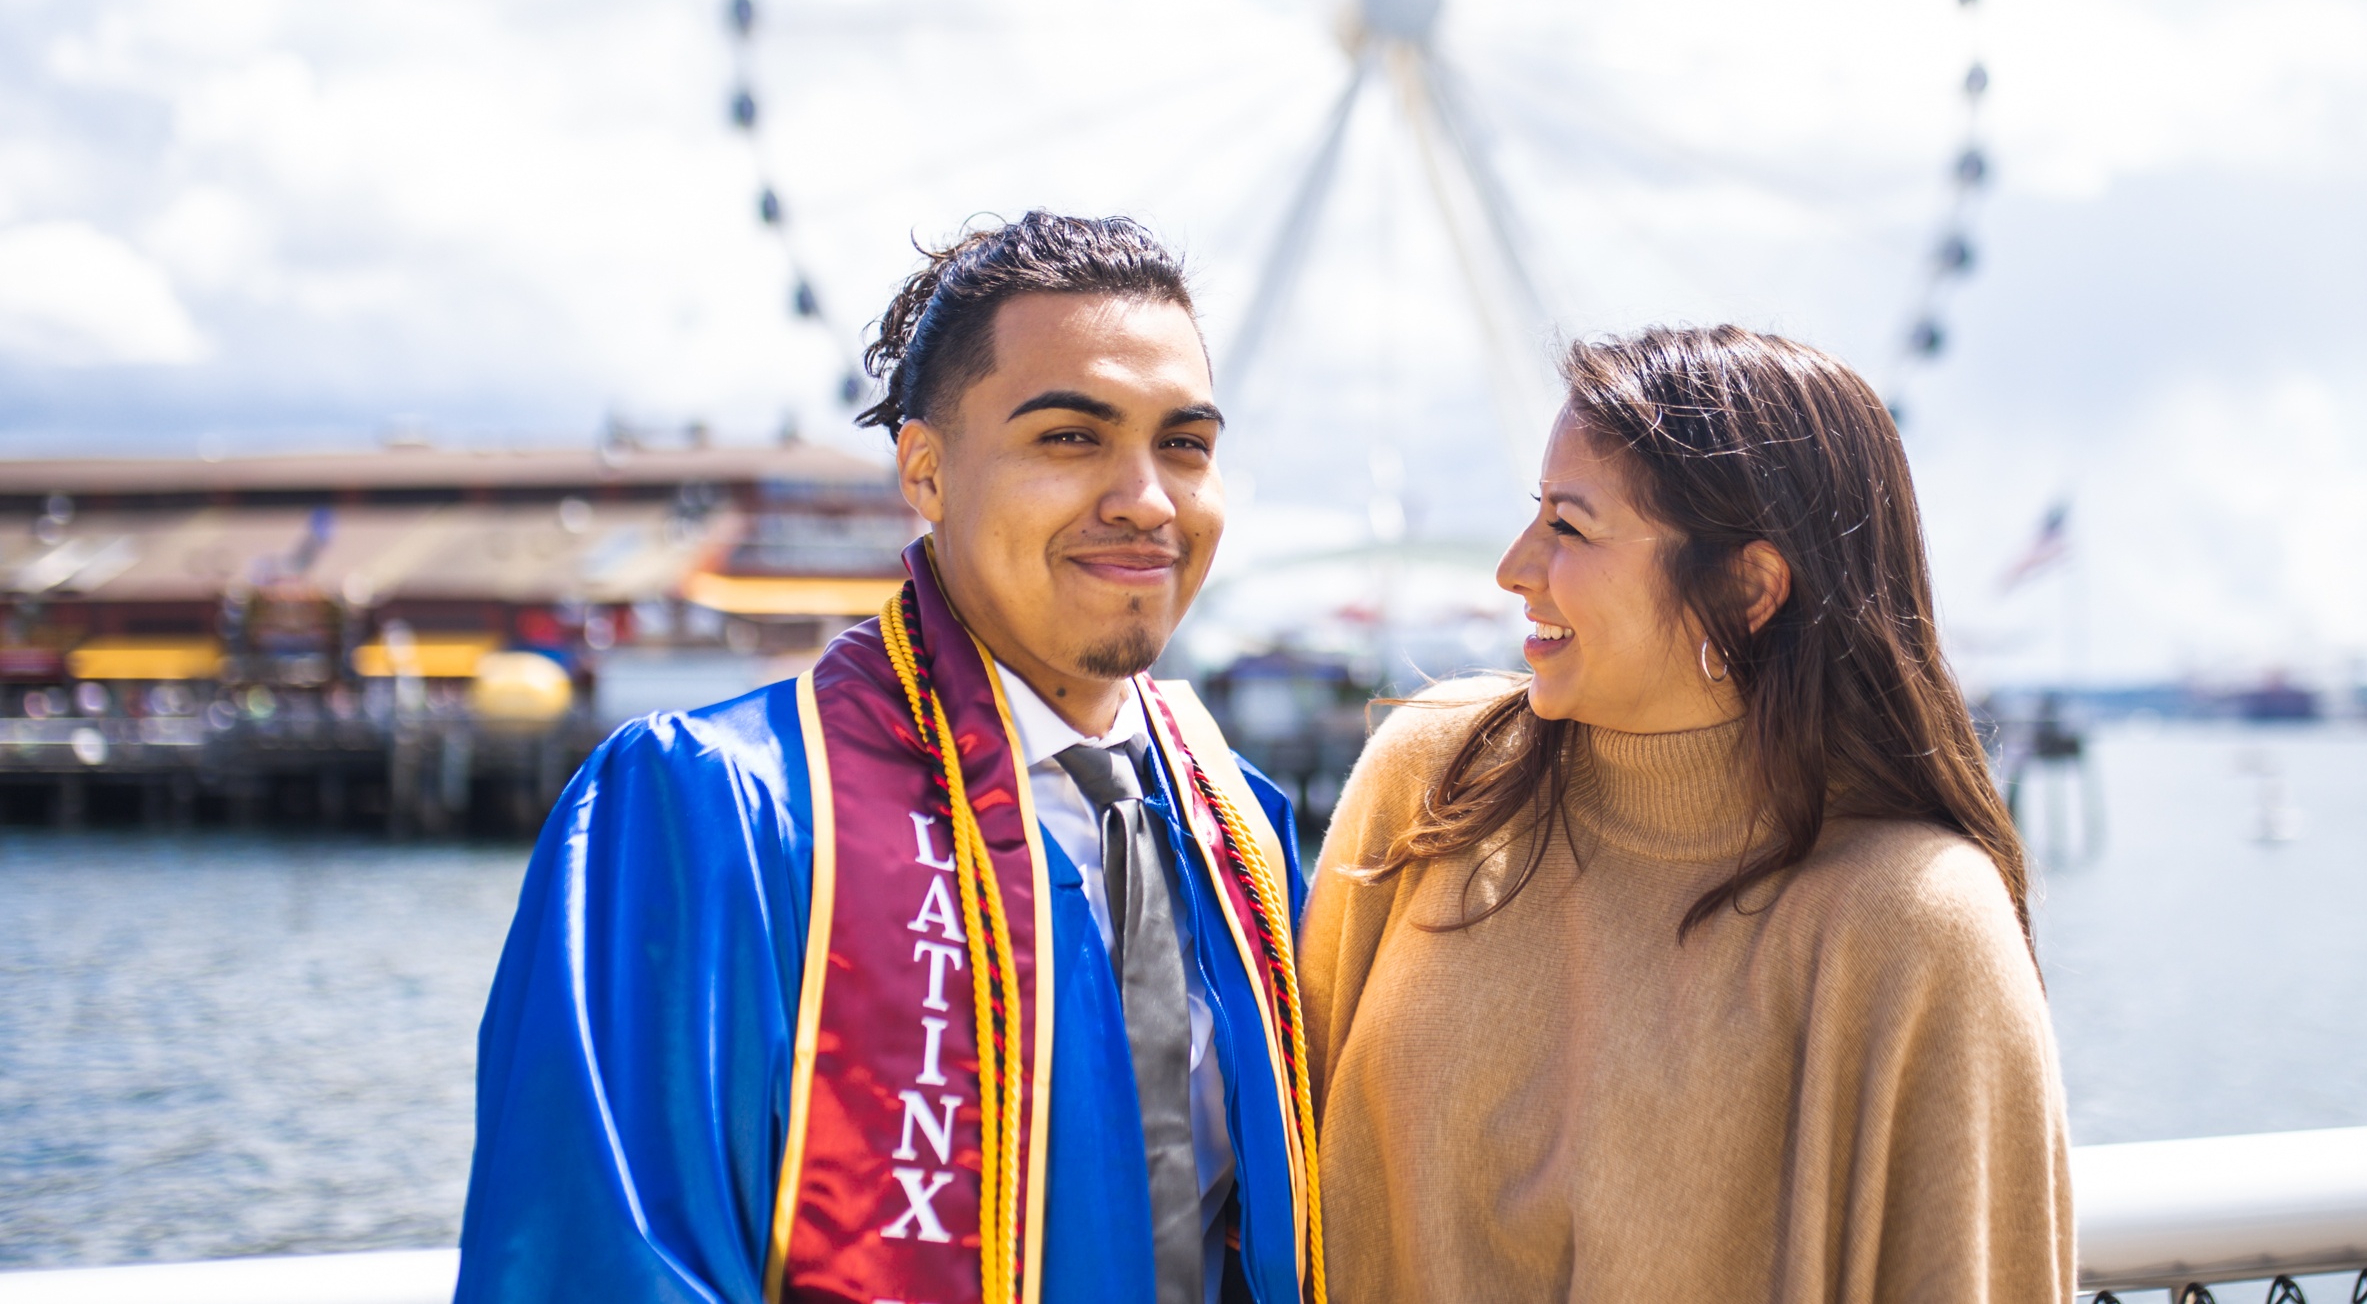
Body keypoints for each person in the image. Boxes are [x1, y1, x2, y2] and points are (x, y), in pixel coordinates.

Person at [456, 212, 1324, 1304]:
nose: (1146, 499)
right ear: (924, 470)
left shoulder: (1234, 831)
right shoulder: (715, 812)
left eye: (1184, 444)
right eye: (1069, 436)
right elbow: (604, 1262)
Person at [1301, 326, 2074, 1302]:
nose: (1512, 567)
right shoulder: (1433, 777)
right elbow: (1276, 1166)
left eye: (1569, 528)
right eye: (1532, 514)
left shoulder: (1913, 924)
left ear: (1748, 589)